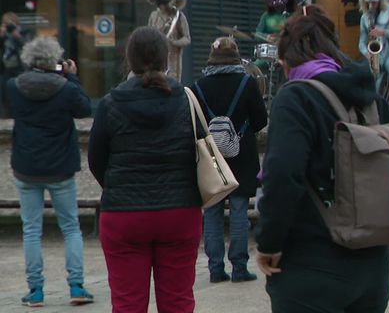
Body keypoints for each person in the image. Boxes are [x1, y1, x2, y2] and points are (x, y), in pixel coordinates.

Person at [254, 5, 389, 313]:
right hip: (373, 265)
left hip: (311, 263)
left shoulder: (295, 98)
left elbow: (283, 176)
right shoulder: (373, 101)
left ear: (288, 58)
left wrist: (269, 243)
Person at [88, 27, 202, 313]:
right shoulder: (186, 99)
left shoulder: (111, 102)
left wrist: (118, 186)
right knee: (178, 301)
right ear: (167, 60)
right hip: (180, 211)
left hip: (124, 213)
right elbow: (199, 151)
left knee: (127, 303)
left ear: (129, 60)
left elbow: (96, 159)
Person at [7, 37, 94, 307]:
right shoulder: (66, 89)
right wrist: (73, 78)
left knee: (31, 229)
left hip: (27, 167)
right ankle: (77, 287)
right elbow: (85, 110)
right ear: (54, 61)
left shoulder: (13, 87)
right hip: (60, 168)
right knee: (70, 227)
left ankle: (35, 291)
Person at [191, 37, 268, 283]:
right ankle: (239, 267)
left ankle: (215, 269)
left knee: (212, 211)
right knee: (238, 210)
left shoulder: (197, 86)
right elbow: (261, 121)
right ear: (235, 57)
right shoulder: (247, 82)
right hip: (242, 156)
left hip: (211, 158)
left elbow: (193, 124)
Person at [146, 0, 191, 81]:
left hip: (173, 63)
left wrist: (174, 42)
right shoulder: (153, 16)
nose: (162, 8)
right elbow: (147, 36)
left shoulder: (179, 16)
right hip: (156, 60)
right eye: (160, 5)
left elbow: (187, 39)